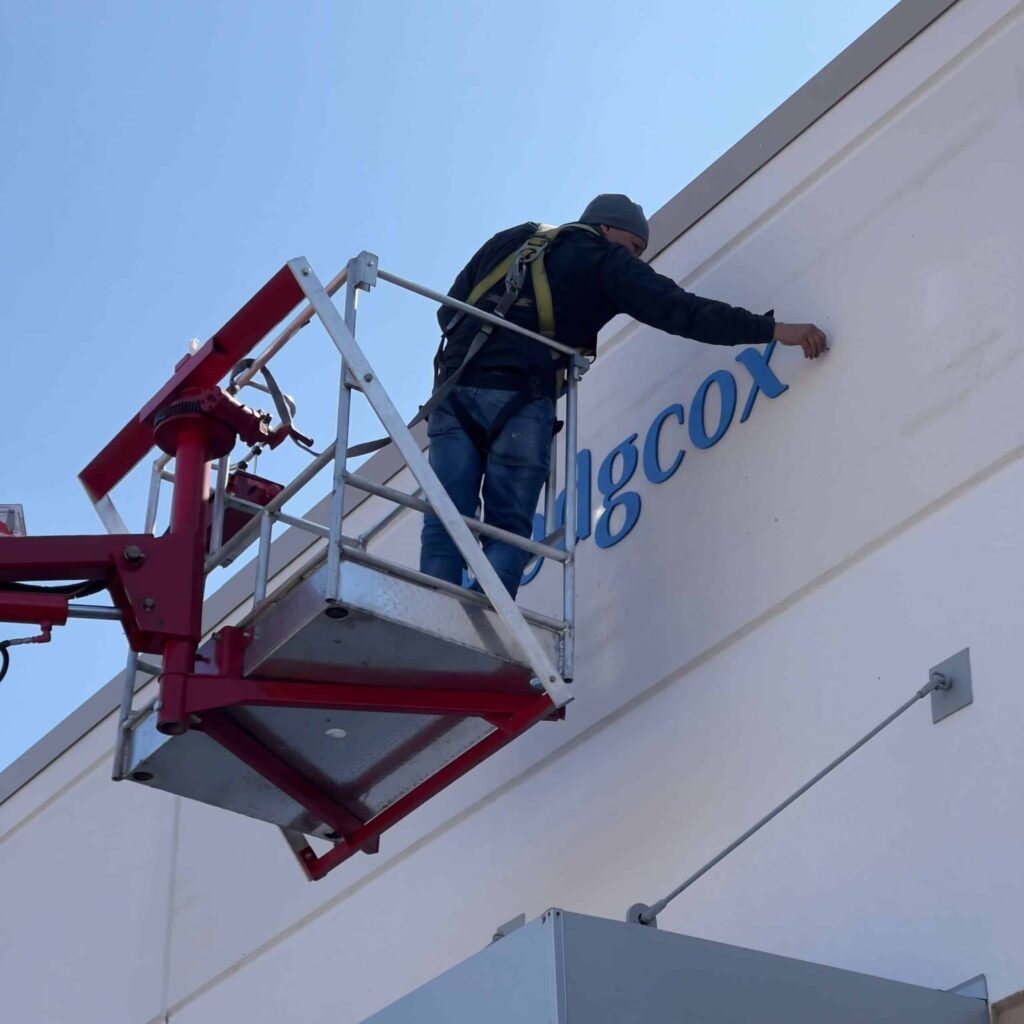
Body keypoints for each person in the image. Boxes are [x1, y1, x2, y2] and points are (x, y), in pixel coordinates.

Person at [420, 193, 827, 598]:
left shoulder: (514, 239)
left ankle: (433, 609)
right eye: (634, 247)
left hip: (453, 396)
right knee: (507, 531)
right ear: (606, 229)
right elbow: (681, 310)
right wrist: (772, 331)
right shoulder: (603, 260)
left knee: (446, 519)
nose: (636, 259)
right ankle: (483, 624)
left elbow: (450, 311)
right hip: (521, 400)